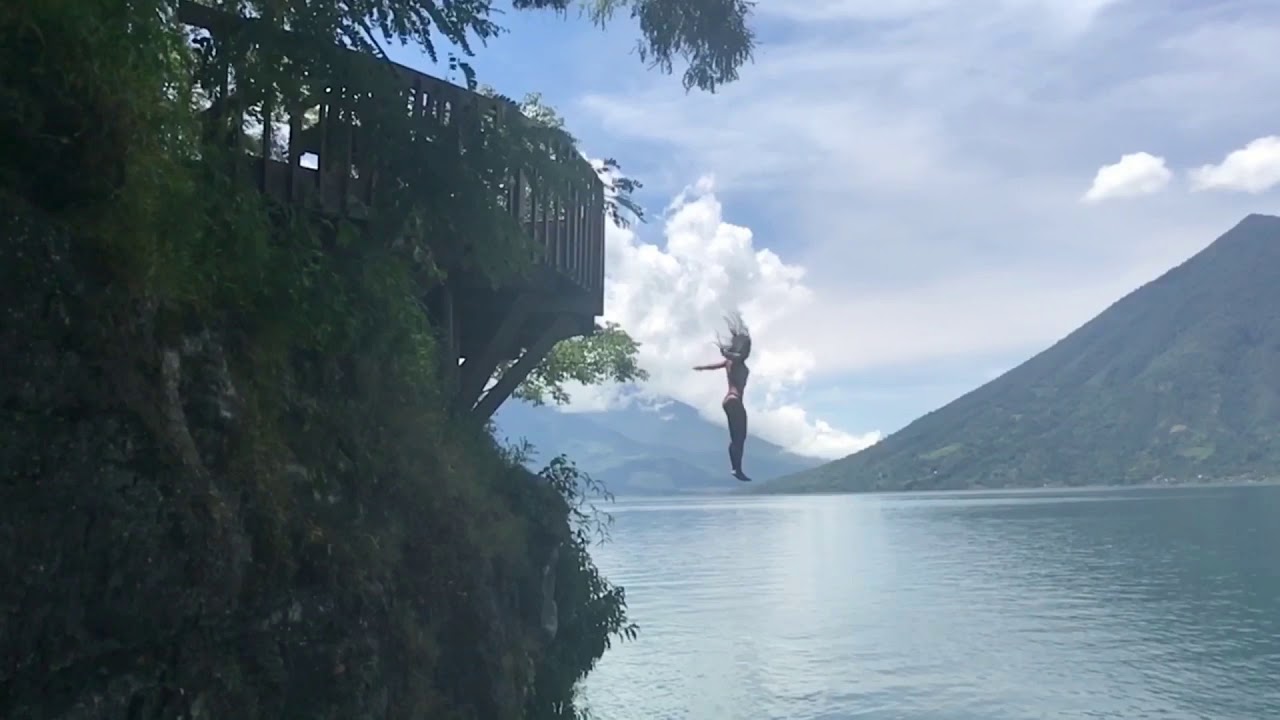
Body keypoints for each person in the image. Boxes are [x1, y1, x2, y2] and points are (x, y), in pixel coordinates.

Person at [694, 313, 752, 482]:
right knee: (740, 437)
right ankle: (737, 469)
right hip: (734, 399)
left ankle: (735, 468)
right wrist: (726, 352)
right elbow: (735, 357)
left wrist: (702, 367)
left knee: (736, 437)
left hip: (728, 400)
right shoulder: (738, 360)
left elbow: (715, 365)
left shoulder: (729, 362)